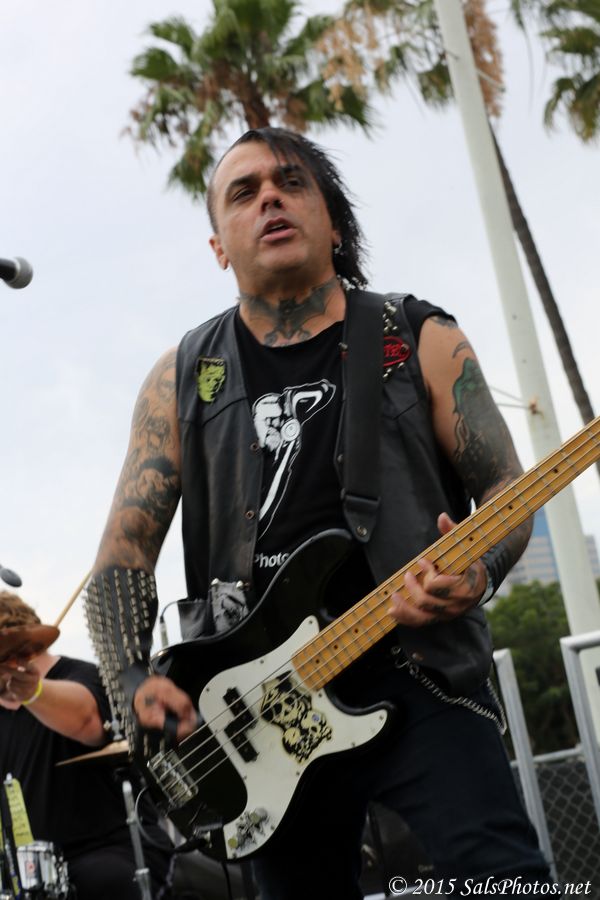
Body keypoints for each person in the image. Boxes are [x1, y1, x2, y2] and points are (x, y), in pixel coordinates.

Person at [85, 127, 553, 898]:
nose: (270, 197)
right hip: (265, 713)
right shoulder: (181, 379)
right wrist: (131, 679)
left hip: (423, 674)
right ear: (218, 247)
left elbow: (506, 487)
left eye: (290, 182)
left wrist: (478, 568)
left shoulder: (419, 336)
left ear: (333, 223)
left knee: (507, 882)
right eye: (244, 192)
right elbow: (121, 559)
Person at [0, 590, 173, 900]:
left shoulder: (83, 677)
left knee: (101, 880)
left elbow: (86, 721)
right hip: (36, 872)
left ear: (14, 652)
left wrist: (32, 692)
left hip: (111, 852)